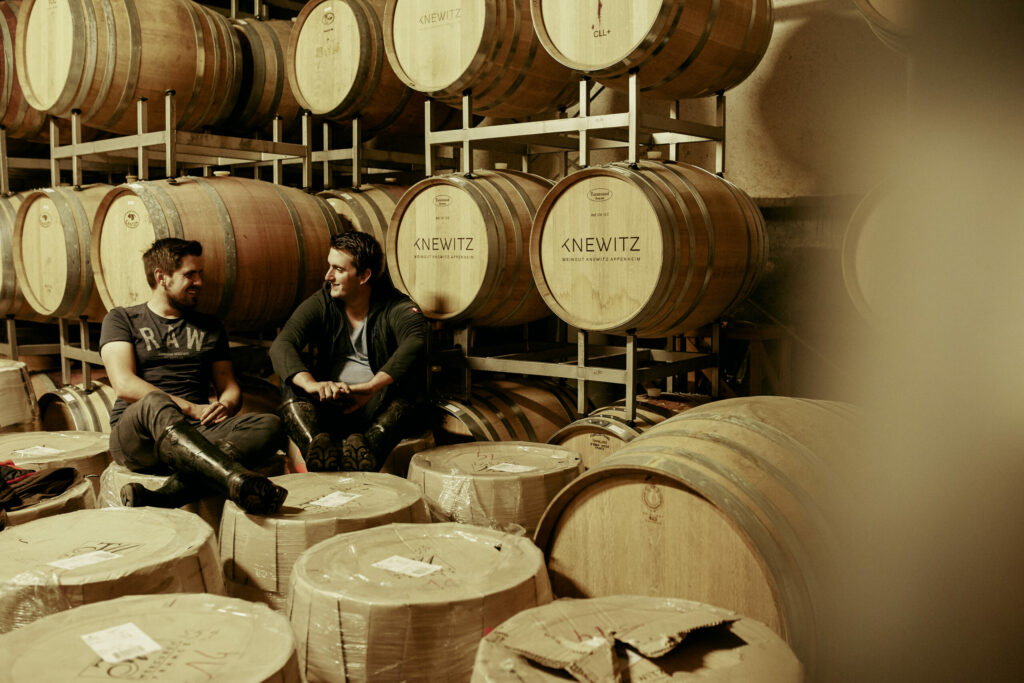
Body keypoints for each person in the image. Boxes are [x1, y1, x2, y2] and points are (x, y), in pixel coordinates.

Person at [99, 238, 288, 515]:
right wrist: (190, 408)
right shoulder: (122, 319)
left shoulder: (210, 326)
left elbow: (230, 387)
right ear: (161, 277)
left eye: (200, 274)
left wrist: (225, 405)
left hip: (197, 431)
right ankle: (235, 479)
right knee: (154, 401)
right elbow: (124, 384)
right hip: (139, 436)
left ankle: (170, 494)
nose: (199, 281)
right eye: (190, 274)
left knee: (270, 424)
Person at [270, 231, 427, 471]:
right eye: (329, 267)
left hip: (376, 406)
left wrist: (371, 387)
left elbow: (416, 342)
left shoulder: (396, 305)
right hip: (331, 401)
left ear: (364, 275)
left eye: (338, 270)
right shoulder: (324, 299)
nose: (328, 276)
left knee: (406, 390)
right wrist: (313, 384)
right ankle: (317, 449)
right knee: (291, 381)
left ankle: (367, 452)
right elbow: (282, 344)